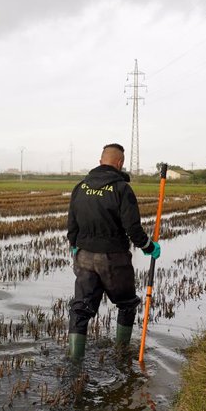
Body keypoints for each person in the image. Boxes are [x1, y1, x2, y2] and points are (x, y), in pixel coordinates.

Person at [66, 143, 161, 359]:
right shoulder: (121, 189)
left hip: (83, 257)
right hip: (113, 259)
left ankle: (74, 362)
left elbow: (72, 224)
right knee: (127, 304)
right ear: (120, 163)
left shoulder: (80, 187)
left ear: (101, 162)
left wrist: (74, 246)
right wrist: (148, 247)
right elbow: (133, 228)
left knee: (80, 309)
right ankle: (121, 355)